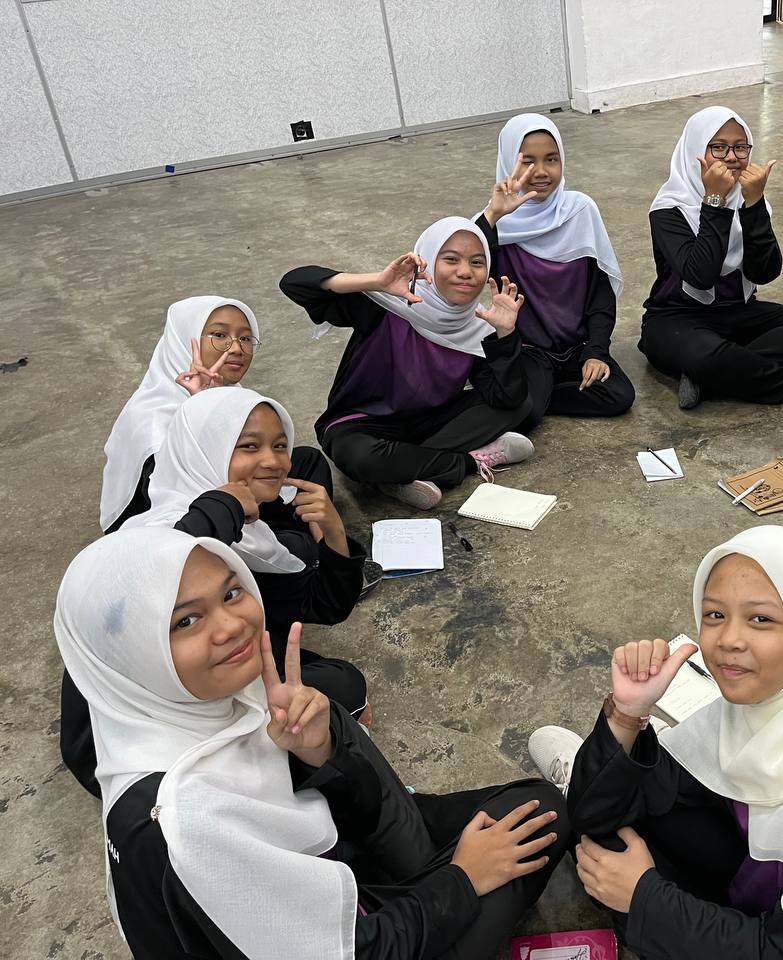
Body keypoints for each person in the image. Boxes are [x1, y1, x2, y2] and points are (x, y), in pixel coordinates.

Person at [55, 527, 568, 959]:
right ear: (131, 656)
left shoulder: (210, 711)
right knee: (541, 820)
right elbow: (355, 951)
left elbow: (351, 813)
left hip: (341, 878)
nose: (232, 626)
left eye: (231, 593)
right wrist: (462, 879)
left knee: (533, 806)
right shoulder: (185, 824)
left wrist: (318, 750)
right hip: (358, 939)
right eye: (186, 621)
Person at [529, 526, 783, 959]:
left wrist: (645, 898)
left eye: (761, 619)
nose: (728, 640)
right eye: (715, 614)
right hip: (755, 883)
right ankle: (605, 765)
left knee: (611, 870)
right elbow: (593, 814)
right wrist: (627, 713)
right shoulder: (757, 710)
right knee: (602, 831)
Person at [62, 388, 370, 799]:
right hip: (134, 741)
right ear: (202, 451)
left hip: (203, 682)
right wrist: (220, 507)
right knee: (338, 697)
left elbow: (326, 605)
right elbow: (155, 575)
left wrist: (333, 532)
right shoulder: (151, 535)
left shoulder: (253, 539)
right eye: (249, 446)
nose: (273, 461)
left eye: (280, 445)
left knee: (336, 682)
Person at [280, 216, 536, 511]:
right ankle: (467, 460)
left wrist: (505, 334)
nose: (465, 272)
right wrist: (375, 281)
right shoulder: (386, 305)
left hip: (431, 422)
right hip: (364, 425)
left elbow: (507, 398)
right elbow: (294, 283)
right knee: (359, 457)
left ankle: (397, 471)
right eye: (451, 259)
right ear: (427, 260)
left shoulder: (476, 323)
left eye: (477, 262)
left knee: (521, 404)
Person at [99, 296, 332, 533]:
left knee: (308, 462)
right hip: (177, 520)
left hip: (224, 492)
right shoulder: (150, 417)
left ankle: (324, 538)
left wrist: (211, 401)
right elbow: (178, 487)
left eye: (245, 338)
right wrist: (198, 405)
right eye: (220, 335)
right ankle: (303, 544)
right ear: (183, 340)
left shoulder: (227, 391)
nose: (237, 349)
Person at [637, 106, 783, 409]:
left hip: (738, 312)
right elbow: (700, 275)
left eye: (740, 147)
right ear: (695, 152)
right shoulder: (668, 210)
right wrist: (714, 202)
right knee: (702, 355)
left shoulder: (748, 200)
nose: (732, 157)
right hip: (676, 318)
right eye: (718, 147)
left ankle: (712, 376)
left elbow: (764, 273)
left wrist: (755, 203)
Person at [473, 113, 634, 428]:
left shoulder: (580, 210)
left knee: (619, 395)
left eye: (551, 159)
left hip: (575, 349)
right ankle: (528, 398)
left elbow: (600, 295)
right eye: (527, 162)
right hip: (528, 351)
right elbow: (469, 269)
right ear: (508, 162)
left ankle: (531, 397)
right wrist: (493, 214)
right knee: (527, 416)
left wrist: (596, 352)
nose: (541, 172)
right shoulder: (495, 223)